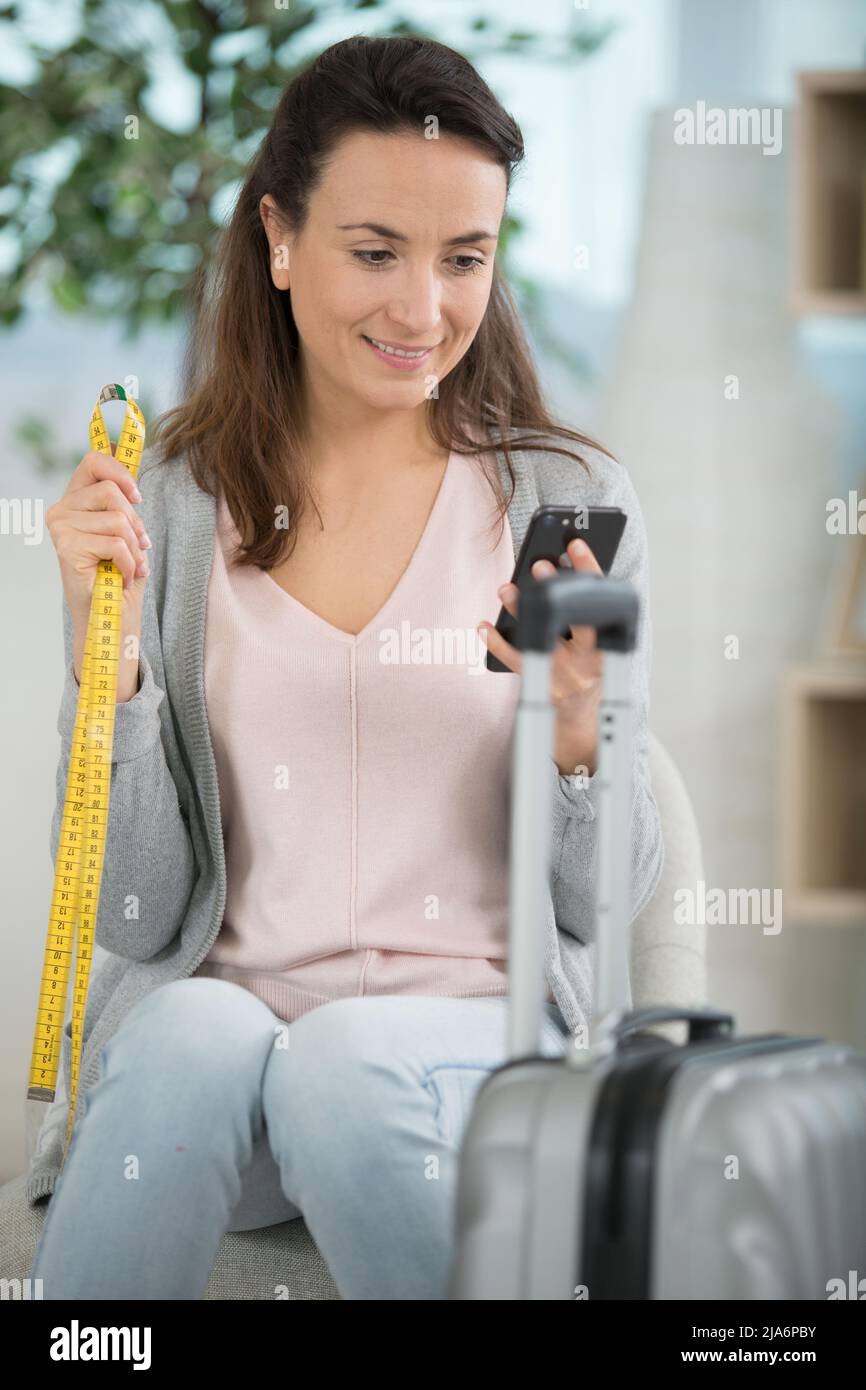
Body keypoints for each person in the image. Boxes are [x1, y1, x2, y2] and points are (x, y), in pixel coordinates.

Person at [29, 34, 664, 1300]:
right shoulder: (170, 506)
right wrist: (116, 666)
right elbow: (137, 917)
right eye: (374, 251)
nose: (421, 310)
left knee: (344, 1058)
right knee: (199, 1021)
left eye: (463, 258)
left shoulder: (567, 498)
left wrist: (581, 732)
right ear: (276, 237)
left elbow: (603, 904)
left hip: (477, 1061)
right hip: (226, 1065)